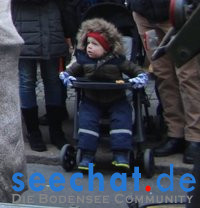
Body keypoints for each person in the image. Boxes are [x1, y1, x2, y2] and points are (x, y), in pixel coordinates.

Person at [119, 0, 200, 161]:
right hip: (145, 15)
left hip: (178, 16)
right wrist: (131, 0)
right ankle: (174, 133)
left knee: (189, 76)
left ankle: (195, 137)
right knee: (163, 75)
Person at [5, 0, 79, 151]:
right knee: (26, 81)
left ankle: (57, 130)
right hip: (22, 24)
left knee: (52, 80)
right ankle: (33, 132)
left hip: (52, 23)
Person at [60, 18, 149, 171]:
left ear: (106, 47)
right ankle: (87, 154)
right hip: (91, 99)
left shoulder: (117, 61)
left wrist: (139, 78)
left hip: (116, 99)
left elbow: (136, 70)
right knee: (87, 121)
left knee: (122, 120)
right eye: (88, 43)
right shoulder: (83, 61)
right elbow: (69, 71)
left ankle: (121, 154)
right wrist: (67, 77)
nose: (89, 47)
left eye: (94, 44)